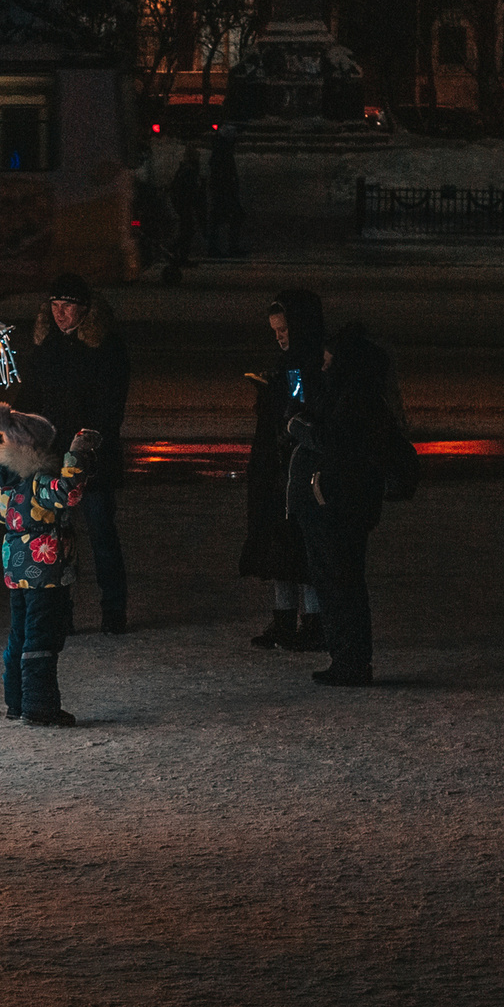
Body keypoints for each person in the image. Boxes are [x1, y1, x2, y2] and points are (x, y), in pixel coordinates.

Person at [13, 272, 132, 633]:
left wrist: (88, 445)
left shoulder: (106, 348)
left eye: (67, 306)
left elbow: (110, 407)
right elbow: (29, 401)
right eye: (54, 305)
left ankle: (113, 611)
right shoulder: (45, 347)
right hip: (50, 460)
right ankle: (59, 613)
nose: (60, 313)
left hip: (90, 461)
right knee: (55, 539)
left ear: (85, 310)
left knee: (100, 534)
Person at [0, 403, 101, 727]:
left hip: (15, 566)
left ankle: (17, 701)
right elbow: (68, 493)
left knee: (20, 633)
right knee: (42, 637)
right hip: (46, 566)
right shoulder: (37, 482)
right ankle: (39, 705)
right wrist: (76, 454)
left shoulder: (1, 482)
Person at [285, 323, 398, 686]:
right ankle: (346, 657)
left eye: (329, 361)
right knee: (336, 580)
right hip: (335, 501)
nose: (323, 367)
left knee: (341, 581)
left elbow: (333, 440)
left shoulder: (355, 398)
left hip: (337, 503)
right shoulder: (352, 393)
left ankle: (350, 660)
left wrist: (297, 428)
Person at [242, 288, 327, 652]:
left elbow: (299, 405)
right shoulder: (292, 362)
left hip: (295, 465)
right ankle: (286, 618)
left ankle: (310, 621)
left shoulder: (303, 364)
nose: (279, 336)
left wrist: (278, 396)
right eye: (275, 329)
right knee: (281, 544)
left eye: (284, 329)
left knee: (299, 546)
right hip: (277, 466)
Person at [166, 146, 206, 277]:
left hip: (182, 204)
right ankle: (176, 251)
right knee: (187, 230)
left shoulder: (185, 169)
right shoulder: (189, 171)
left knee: (187, 229)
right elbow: (190, 190)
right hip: (184, 204)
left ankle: (178, 253)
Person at [207, 128, 245, 257]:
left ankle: (215, 247)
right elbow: (225, 173)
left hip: (222, 190)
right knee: (234, 217)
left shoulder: (219, 150)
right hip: (225, 190)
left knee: (219, 219)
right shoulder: (224, 152)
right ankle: (230, 247)